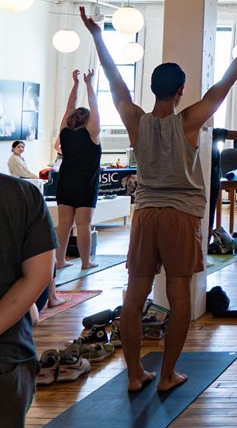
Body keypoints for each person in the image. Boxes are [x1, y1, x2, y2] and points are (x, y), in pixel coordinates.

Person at [82, 6, 237, 393]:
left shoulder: (135, 120)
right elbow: (225, 83)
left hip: (145, 214)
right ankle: (167, 374)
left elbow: (115, 79)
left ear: (153, 88)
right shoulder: (188, 121)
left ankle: (135, 374)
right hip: (181, 216)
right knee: (179, 295)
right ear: (181, 90)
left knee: (134, 297)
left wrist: (98, 36)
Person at [0, 174, 57, 427]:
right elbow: (39, 275)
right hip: (9, 353)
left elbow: (39, 277)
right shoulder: (21, 193)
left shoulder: (21, 194)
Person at [53, 69, 101, 272]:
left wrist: (76, 84)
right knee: (83, 225)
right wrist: (89, 84)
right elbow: (95, 106)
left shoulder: (64, 131)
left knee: (64, 224)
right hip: (85, 184)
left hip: (65, 182)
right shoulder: (93, 133)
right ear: (88, 121)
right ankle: (85, 262)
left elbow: (69, 107)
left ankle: (59, 261)